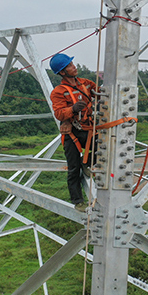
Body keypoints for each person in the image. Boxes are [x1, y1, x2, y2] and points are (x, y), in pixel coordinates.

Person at [49, 53, 97, 212]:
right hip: (73, 133)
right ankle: (78, 201)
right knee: (73, 168)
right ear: (62, 72)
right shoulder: (58, 92)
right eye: (69, 65)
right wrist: (72, 109)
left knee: (106, 147)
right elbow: (59, 113)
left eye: (72, 64)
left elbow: (99, 91)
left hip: (88, 129)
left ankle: (88, 163)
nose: (74, 67)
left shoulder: (86, 84)